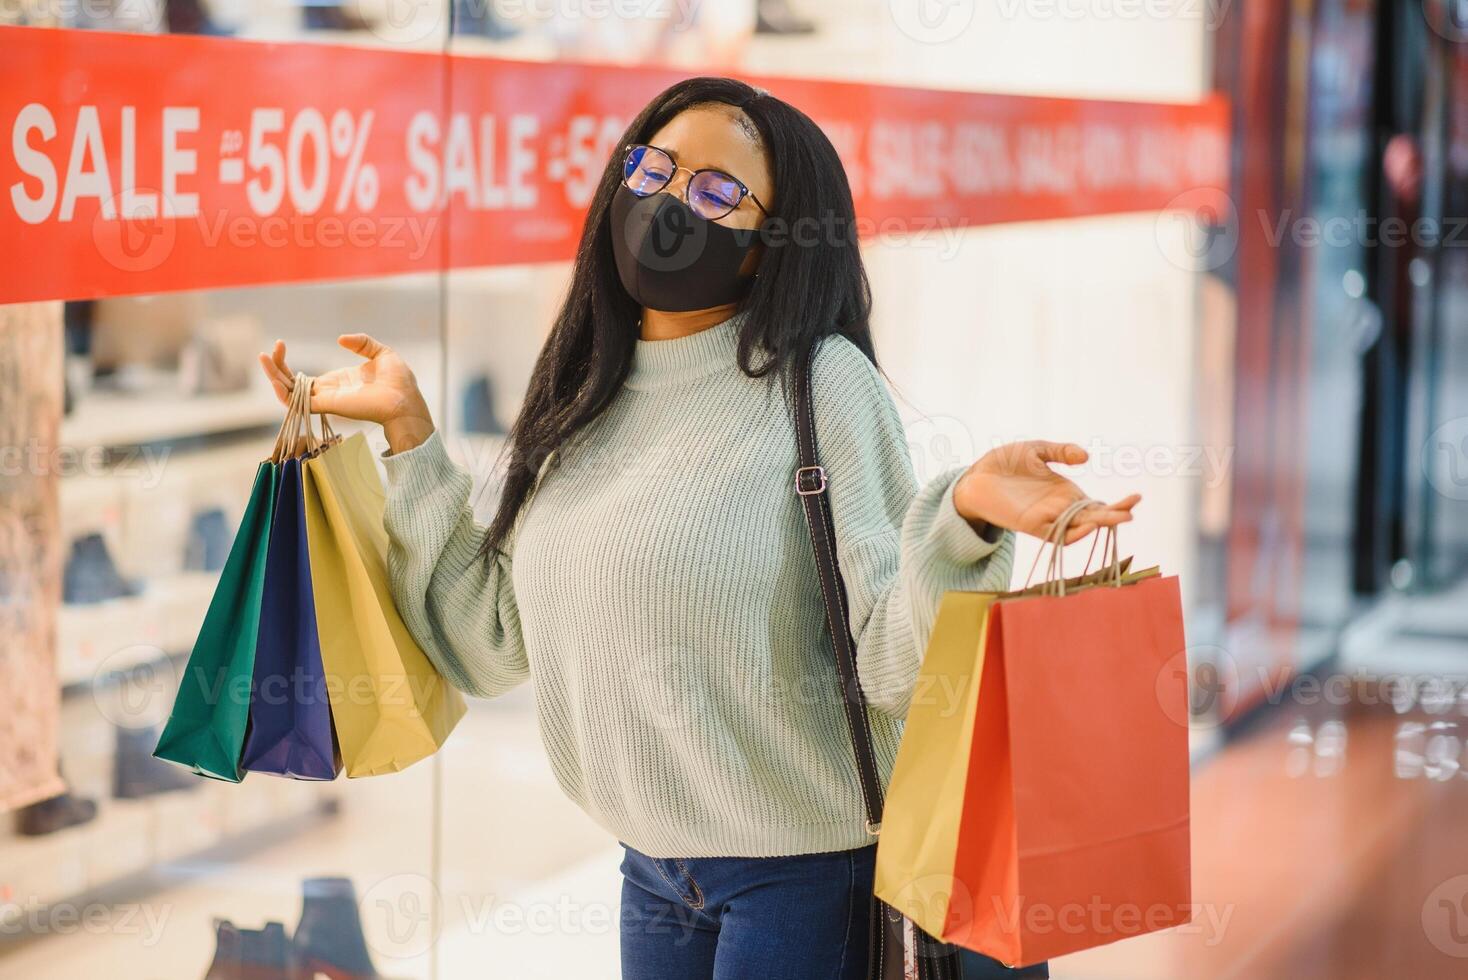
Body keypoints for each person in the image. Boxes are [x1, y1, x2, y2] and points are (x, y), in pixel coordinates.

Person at [259, 76, 1139, 980]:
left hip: (810, 875)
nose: (670, 200)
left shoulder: (820, 385)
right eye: (655, 168)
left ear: (769, 245)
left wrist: (958, 518)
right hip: (652, 872)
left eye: (718, 191)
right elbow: (489, 645)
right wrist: (410, 436)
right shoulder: (586, 394)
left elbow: (888, 658)